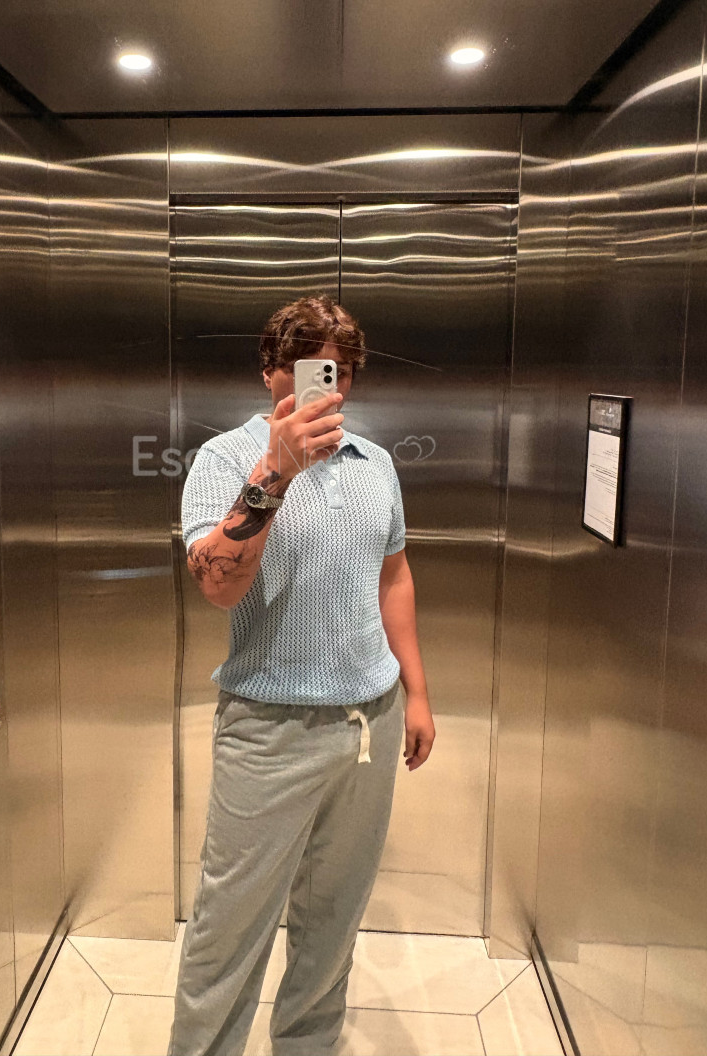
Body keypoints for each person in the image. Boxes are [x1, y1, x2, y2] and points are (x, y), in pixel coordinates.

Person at [167, 295, 436, 1056]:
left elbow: (394, 576)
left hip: (370, 724)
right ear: (270, 372)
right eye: (309, 368)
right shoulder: (224, 460)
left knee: (333, 921)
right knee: (227, 932)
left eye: (341, 372)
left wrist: (416, 692)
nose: (329, 386)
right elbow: (217, 585)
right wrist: (275, 473)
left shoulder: (376, 466)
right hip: (268, 732)